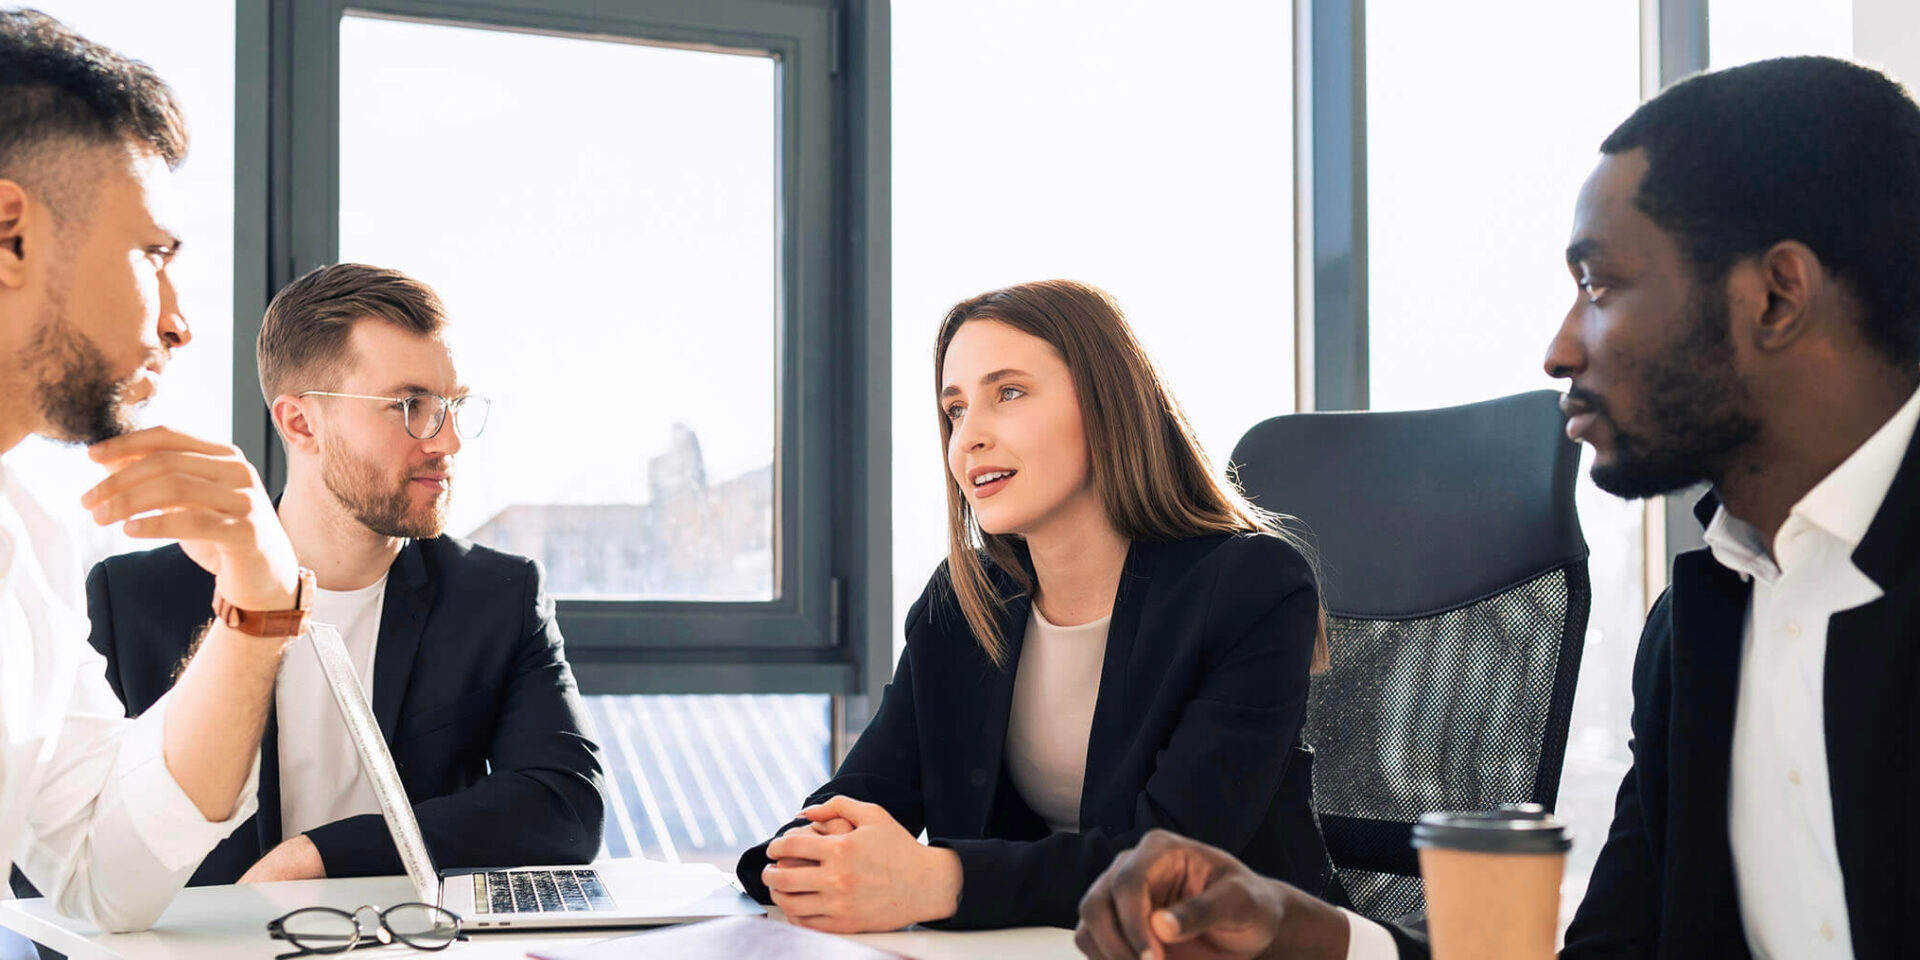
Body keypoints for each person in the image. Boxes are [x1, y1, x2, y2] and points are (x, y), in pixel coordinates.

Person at [1073, 54, 1920, 960]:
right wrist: (1312, 937)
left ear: (1775, 297)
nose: (1560, 350)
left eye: (1598, 285)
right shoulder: (1703, 629)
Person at [736, 279, 1334, 933]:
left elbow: (1175, 865)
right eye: (955, 410)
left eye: (1008, 393)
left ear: (1108, 404)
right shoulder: (965, 601)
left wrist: (942, 880)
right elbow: (862, 799)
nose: (967, 440)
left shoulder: (1252, 588)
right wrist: (805, 861)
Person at [73, 263, 606, 885]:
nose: (448, 441)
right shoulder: (133, 599)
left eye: (452, 406)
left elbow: (565, 808)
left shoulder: (498, 596)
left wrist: (321, 856)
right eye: (411, 406)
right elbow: (64, 867)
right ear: (301, 424)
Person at [0, 8, 307, 932]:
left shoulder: (27, 541)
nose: (178, 322)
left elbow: (106, 874)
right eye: (154, 254)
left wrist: (261, 600)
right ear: (9, 232)